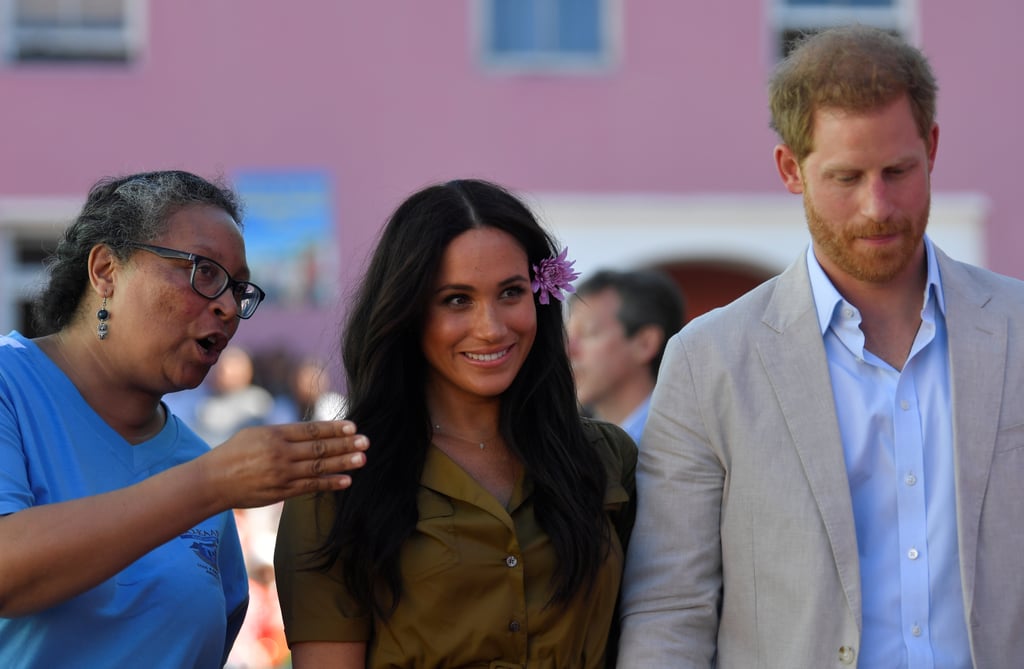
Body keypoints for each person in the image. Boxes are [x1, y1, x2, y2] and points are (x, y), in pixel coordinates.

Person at [617, 25, 1024, 668]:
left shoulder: (1018, 329)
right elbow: (671, 608)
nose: (877, 206)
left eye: (898, 170)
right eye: (845, 177)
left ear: (934, 149)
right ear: (791, 170)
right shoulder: (710, 362)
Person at [0, 170, 368, 668]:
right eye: (204, 271)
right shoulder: (11, 384)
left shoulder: (200, 463)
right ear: (107, 269)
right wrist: (211, 484)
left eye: (238, 288)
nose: (227, 307)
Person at [274, 179, 637, 668]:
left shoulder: (606, 458)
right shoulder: (337, 479)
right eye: (456, 300)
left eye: (511, 292)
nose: (491, 326)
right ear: (407, 312)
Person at [567, 269, 686, 443]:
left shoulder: (685, 441)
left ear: (645, 343)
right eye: (567, 335)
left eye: (587, 333)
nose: (569, 349)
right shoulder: (571, 444)